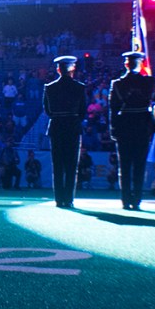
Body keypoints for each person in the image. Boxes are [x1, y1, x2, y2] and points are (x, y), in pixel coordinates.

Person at [109, 51, 155, 210]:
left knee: (125, 166)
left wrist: (113, 129)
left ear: (126, 64)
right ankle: (136, 199)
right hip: (142, 127)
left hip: (124, 126)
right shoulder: (148, 82)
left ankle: (125, 199)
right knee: (139, 165)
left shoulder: (118, 84)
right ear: (140, 64)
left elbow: (113, 109)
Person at [43, 55, 87, 208]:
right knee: (71, 165)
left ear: (58, 69)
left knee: (58, 165)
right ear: (72, 69)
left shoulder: (49, 87)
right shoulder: (80, 87)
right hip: (73, 127)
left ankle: (59, 199)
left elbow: (48, 110)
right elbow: (83, 111)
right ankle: (68, 199)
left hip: (57, 126)